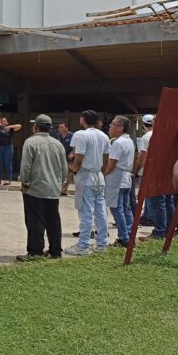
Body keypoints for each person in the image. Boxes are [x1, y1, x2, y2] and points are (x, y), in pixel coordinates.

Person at [16, 115, 67, 261]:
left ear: (36, 127)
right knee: (53, 221)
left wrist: (24, 183)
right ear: (50, 128)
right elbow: (64, 168)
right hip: (53, 189)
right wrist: (60, 183)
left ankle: (35, 252)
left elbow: (26, 166)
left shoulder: (30, 142)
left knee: (35, 221)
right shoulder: (58, 144)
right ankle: (55, 251)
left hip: (35, 188)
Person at [65, 110, 111, 256]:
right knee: (100, 211)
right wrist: (101, 171)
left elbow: (79, 157)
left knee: (85, 211)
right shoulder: (103, 136)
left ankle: (83, 245)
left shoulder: (80, 135)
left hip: (86, 175)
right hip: (98, 175)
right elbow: (106, 159)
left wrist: (72, 169)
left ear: (83, 119)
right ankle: (102, 243)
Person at [103, 115, 135, 247]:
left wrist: (104, 174)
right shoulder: (129, 141)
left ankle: (124, 238)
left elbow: (111, 164)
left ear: (120, 128)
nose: (110, 127)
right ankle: (129, 234)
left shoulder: (118, 143)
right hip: (125, 178)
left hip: (117, 178)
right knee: (125, 208)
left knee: (117, 209)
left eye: (112, 124)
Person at [134, 114, 156, 226]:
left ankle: (150, 217)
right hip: (155, 169)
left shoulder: (145, 138)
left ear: (143, 124)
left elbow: (142, 157)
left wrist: (135, 170)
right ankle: (147, 215)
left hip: (145, 170)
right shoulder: (157, 135)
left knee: (147, 194)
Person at [0, 114, 22, 185]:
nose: (2, 121)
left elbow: (19, 126)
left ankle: (8, 179)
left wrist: (10, 126)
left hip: (8, 147)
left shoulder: (10, 129)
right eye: (2, 120)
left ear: (7, 122)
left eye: (4, 121)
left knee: (8, 163)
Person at [54, 122, 74, 195]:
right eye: (59, 127)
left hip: (69, 158)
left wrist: (72, 153)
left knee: (68, 175)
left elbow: (75, 146)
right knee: (58, 174)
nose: (60, 129)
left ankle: (63, 191)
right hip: (59, 158)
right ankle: (57, 189)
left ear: (66, 128)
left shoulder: (71, 135)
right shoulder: (57, 136)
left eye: (62, 127)